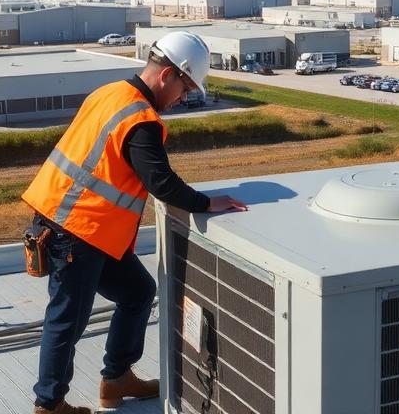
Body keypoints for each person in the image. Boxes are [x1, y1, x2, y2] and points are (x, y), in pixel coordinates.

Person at [22, 31, 247, 414]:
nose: (182, 98)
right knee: (66, 323)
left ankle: (116, 378)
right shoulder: (141, 121)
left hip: (88, 230)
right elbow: (161, 183)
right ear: (168, 76)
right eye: (185, 87)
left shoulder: (110, 93)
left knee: (137, 292)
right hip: (75, 231)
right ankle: (49, 404)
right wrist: (207, 203)